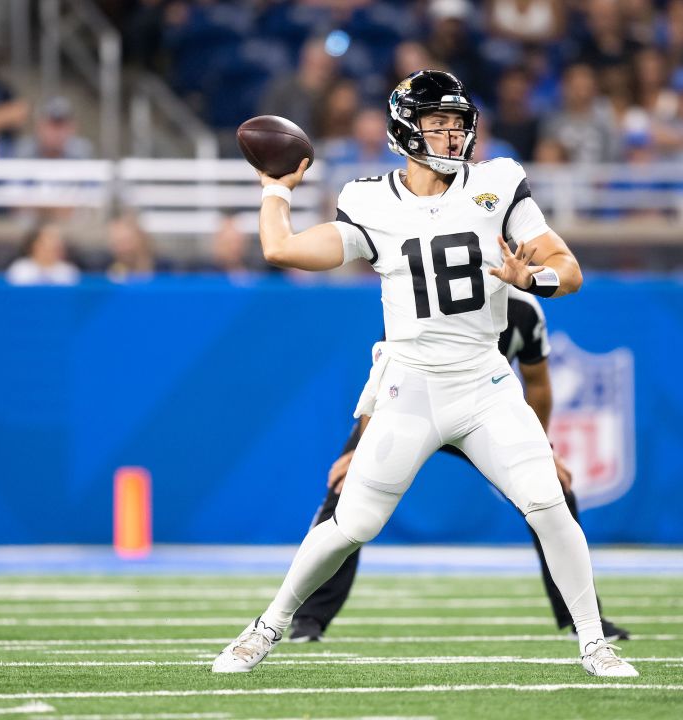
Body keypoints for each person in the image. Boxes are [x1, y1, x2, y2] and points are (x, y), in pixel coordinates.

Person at [211, 70, 637, 677]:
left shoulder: (497, 183)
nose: (454, 132)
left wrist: (530, 278)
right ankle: (265, 628)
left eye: (459, 121)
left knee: (548, 503)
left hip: (484, 382)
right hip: (409, 386)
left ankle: (594, 643)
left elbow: (568, 270)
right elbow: (283, 251)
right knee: (352, 522)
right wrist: (275, 190)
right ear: (406, 128)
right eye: (439, 121)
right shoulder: (368, 200)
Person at [287, 285, 630, 643]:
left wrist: (542, 448)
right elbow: (385, 375)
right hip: (414, 413)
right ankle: (309, 618)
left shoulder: (523, 309)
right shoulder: (419, 291)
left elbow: (538, 384)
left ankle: (584, 620)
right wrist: (360, 446)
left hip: (483, 419)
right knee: (345, 493)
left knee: (553, 490)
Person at [4, 223, 80, 286]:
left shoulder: (68, 272)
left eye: (58, 240)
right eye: (50, 238)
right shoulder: (20, 269)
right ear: (34, 244)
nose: (55, 244)